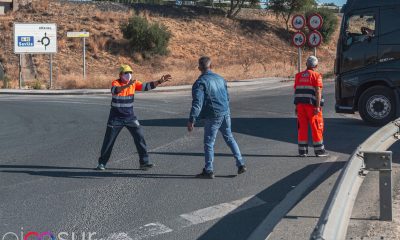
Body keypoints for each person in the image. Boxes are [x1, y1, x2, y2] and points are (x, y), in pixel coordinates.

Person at [96, 64, 171, 170]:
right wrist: (127, 85)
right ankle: (102, 163)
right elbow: (115, 90)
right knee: (109, 141)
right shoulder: (115, 83)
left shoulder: (134, 83)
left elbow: (146, 87)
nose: (129, 75)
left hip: (130, 117)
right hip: (115, 118)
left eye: (130, 73)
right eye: (126, 73)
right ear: (120, 74)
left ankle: (144, 163)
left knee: (140, 137)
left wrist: (159, 81)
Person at [187, 56, 246, 179]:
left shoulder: (200, 82)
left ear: (199, 68)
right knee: (229, 137)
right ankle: (240, 163)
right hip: (225, 112)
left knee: (209, 143)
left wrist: (192, 119)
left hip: (213, 115)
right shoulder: (220, 78)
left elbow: (197, 103)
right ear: (211, 66)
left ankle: (209, 170)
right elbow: (227, 96)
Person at [294, 56, 328, 157]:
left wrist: (296, 106)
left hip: (300, 106)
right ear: (316, 65)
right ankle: (319, 151)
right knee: (316, 127)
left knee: (302, 128)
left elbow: (296, 92)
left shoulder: (298, 76)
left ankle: (302, 151)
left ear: (306, 64)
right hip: (312, 107)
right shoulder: (316, 76)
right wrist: (317, 106)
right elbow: (318, 91)